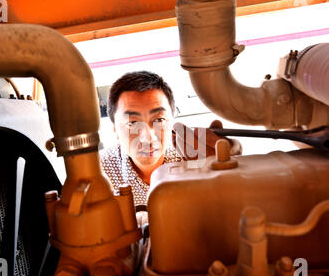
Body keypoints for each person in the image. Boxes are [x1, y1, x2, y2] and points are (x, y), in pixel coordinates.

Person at [100, 71, 241, 207]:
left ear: (172, 121)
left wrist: (227, 163)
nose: (148, 138)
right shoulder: (99, 171)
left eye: (159, 120)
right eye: (132, 123)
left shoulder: (193, 155)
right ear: (114, 129)